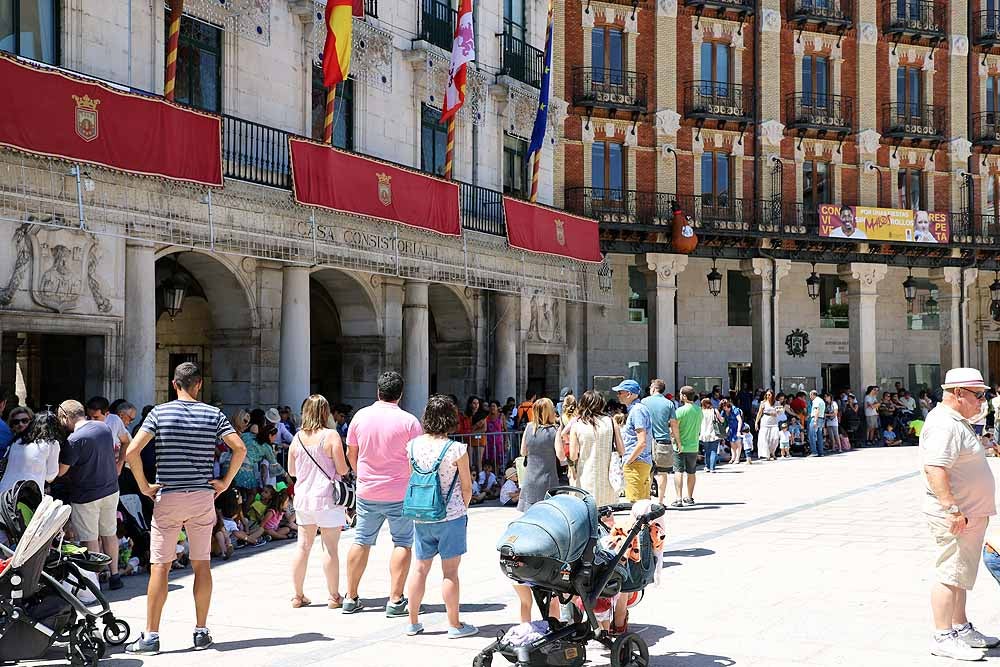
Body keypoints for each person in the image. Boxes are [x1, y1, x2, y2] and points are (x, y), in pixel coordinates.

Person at [124, 362, 247, 655]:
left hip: (168, 496)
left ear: (174, 384)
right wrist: (225, 482)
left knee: (160, 567)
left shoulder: (159, 413)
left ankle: (151, 637)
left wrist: (143, 485)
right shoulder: (213, 414)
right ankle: (201, 631)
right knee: (201, 564)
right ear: (199, 384)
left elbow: (131, 451)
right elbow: (239, 448)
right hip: (202, 497)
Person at [919, 368, 999, 660]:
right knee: (948, 574)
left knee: (960, 574)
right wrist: (952, 509)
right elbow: (935, 468)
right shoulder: (944, 424)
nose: (983, 401)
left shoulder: (957, 421)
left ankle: (960, 626)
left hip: (969, 513)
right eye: (979, 395)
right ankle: (943, 635)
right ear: (958, 393)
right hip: (956, 515)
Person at [344, 370, 423, 617]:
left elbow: (351, 453)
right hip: (399, 491)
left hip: (367, 489)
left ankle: (351, 596)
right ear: (400, 394)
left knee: (361, 539)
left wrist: (360, 474)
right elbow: (416, 459)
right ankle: (395, 599)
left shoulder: (360, 417)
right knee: (402, 542)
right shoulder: (409, 422)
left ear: (378, 391)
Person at [404, 394, 477, 639]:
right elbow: (467, 486)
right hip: (451, 515)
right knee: (450, 573)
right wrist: (463, 507)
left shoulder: (412, 445)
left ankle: (413, 621)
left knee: (419, 569)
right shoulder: (456, 448)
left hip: (422, 514)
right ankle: (454, 624)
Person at [288, 394, 350, 609]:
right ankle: (333, 597)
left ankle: (297, 595)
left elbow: (292, 470)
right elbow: (342, 469)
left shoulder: (297, 438)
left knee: (302, 547)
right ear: (325, 412)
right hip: (327, 499)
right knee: (330, 548)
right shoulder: (331, 436)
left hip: (304, 498)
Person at [57, 400, 123, 590]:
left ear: (65, 417)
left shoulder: (74, 440)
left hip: (86, 494)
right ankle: (115, 575)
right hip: (111, 489)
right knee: (110, 533)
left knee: (90, 538)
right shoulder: (103, 428)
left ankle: (95, 582)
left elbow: (61, 471)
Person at [570, 390, 625, 508]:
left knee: (587, 512)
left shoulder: (577, 425)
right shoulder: (610, 421)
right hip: (608, 478)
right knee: (607, 515)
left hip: (585, 476)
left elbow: (573, 456)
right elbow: (621, 450)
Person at [0, 410, 61, 495]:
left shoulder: (17, 441)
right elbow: (50, 476)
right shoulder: (52, 444)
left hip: (4, 490)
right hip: (27, 495)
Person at [517, 398, 562, 511]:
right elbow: (561, 456)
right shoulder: (554, 431)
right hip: (548, 480)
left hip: (530, 479)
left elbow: (523, 452)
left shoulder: (529, 428)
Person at [612, 380, 652, 502]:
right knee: (643, 504)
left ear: (628, 394)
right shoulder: (637, 409)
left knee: (636, 504)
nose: (618, 395)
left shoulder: (637, 411)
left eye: (620, 392)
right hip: (640, 461)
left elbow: (642, 442)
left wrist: (628, 460)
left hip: (636, 463)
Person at [642, 379, 679, 503]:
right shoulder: (669, 404)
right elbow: (674, 424)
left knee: (647, 472)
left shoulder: (644, 402)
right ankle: (661, 501)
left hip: (647, 441)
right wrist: (678, 442)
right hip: (664, 440)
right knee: (663, 473)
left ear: (653, 388)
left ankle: (647, 499)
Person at [86, 396, 130, 474]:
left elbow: (126, 442)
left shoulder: (115, 420)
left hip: (109, 470)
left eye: (96, 418)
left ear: (107, 414)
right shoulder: (84, 422)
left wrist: (119, 464)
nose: (91, 421)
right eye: (89, 417)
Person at [673, 386, 701, 507]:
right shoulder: (698, 410)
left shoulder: (680, 411)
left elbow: (675, 428)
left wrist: (677, 441)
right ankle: (689, 497)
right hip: (693, 445)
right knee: (691, 472)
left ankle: (678, 498)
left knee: (678, 471)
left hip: (680, 445)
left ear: (684, 396)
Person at [755, 389, 780, 461]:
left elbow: (780, 412)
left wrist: (776, 413)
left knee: (775, 439)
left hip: (774, 423)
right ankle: (767, 454)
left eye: (769, 394)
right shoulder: (763, 403)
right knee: (765, 439)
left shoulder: (777, 403)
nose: (768, 396)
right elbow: (759, 413)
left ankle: (772, 452)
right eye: (767, 394)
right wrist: (756, 422)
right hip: (765, 422)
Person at [698, 398, 722, 473]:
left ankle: (707, 466)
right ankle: (712, 468)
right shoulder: (714, 411)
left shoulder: (700, 412)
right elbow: (721, 420)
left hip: (704, 434)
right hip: (714, 433)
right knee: (713, 451)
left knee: (707, 451)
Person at [807, 390, 826, 457]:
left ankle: (814, 452)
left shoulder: (816, 401)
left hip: (816, 419)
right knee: (819, 436)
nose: (810, 397)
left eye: (810, 395)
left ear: (813, 394)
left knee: (811, 435)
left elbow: (816, 410)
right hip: (821, 419)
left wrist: (815, 420)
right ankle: (821, 452)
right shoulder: (822, 401)